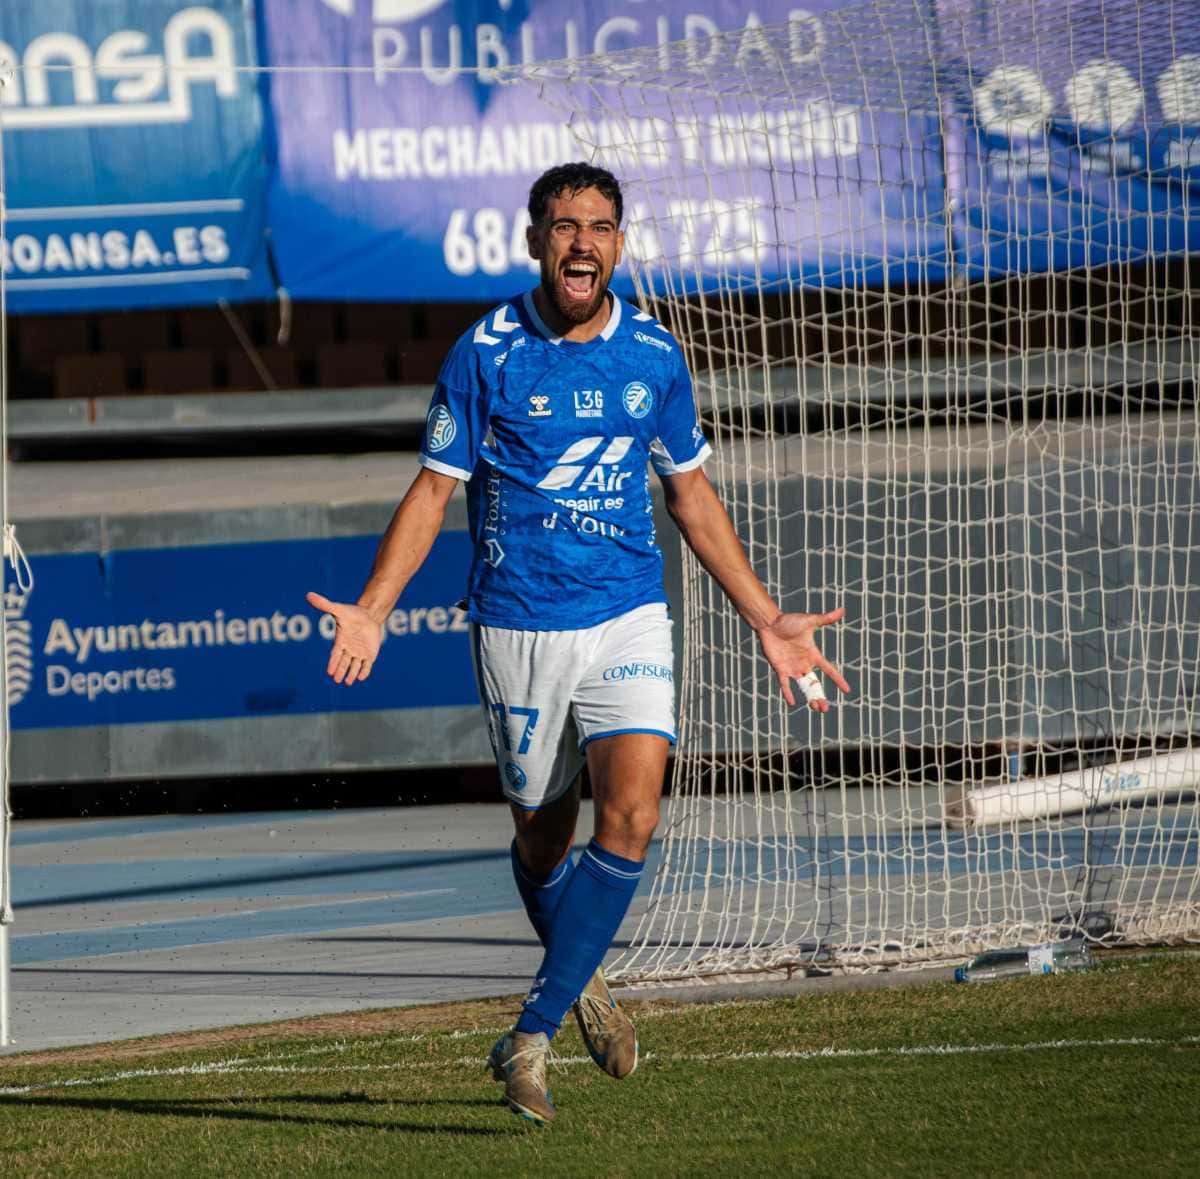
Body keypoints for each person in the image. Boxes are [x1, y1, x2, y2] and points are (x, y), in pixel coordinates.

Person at [307, 161, 849, 1126]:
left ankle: (531, 1033)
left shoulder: (653, 353)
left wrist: (765, 617)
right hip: (518, 625)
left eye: (600, 226)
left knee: (631, 816)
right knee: (541, 833)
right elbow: (434, 490)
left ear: (621, 243)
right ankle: (582, 976)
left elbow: (688, 492)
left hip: (628, 616)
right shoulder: (486, 352)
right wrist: (374, 606)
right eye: (564, 226)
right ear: (535, 241)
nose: (583, 242)